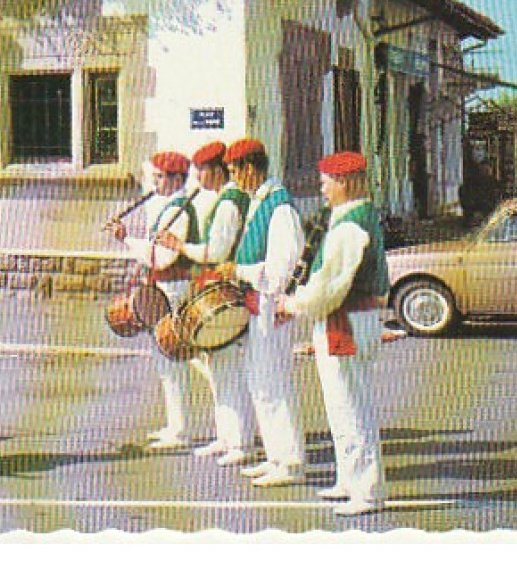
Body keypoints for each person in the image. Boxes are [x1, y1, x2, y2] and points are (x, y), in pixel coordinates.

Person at [278, 151, 390, 517]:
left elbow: (329, 286)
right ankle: (349, 478)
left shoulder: (348, 227)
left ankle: (367, 490)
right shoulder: (359, 216)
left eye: (326, 181)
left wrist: (293, 304)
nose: (322, 188)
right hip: (352, 320)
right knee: (343, 404)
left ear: (343, 183)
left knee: (351, 407)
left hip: (347, 322)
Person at [156, 141, 255, 466]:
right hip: (216, 287)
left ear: (215, 170)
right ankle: (227, 437)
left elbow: (215, 252)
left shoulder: (229, 203)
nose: (197, 178)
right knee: (218, 367)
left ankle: (240, 441)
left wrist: (180, 246)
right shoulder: (224, 200)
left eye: (201, 171)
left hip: (224, 289)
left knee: (226, 368)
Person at [227, 137, 307, 488]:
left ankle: (289, 461)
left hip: (270, 305)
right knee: (261, 384)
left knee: (275, 383)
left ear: (250, 168)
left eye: (234, 171)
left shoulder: (280, 207)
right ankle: (275, 455)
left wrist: (239, 271)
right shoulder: (260, 202)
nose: (233, 179)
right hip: (257, 304)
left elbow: (280, 267)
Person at [120, 150, 200, 452]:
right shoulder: (167, 207)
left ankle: (182, 430)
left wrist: (126, 239)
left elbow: (163, 257)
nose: (155, 182)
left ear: (177, 179)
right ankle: (174, 425)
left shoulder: (177, 210)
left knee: (174, 358)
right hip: (164, 286)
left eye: (160, 177)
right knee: (164, 361)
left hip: (174, 287)